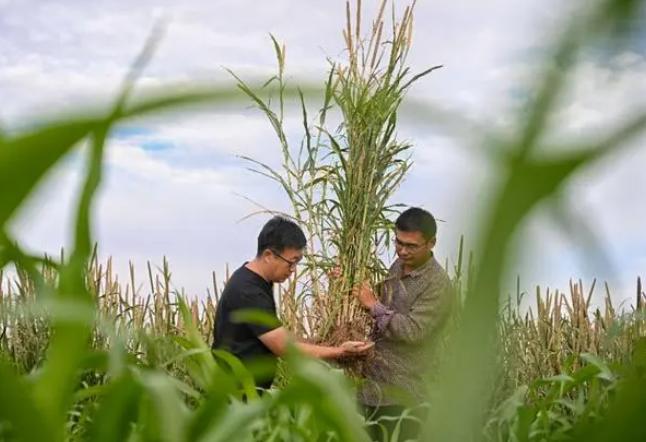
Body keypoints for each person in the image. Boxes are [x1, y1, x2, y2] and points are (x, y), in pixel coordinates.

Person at [212, 215, 373, 390]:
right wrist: (339, 352)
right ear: (268, 255)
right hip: (237, 394)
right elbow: (283, 347)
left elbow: (278, 335)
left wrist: (319, 343)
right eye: (291, 263)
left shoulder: (255, 281)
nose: (292, 271)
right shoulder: (248, 291)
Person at [353, 207, 453, 441]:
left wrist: (373, 305)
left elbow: (414, 330)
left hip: (402, 397)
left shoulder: (437, 285)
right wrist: (351, 286)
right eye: (398, 242)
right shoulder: (397, 267)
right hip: (369, 388)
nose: (402, 251)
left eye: (411, 246)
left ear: (431, 243)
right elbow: (380, 308)